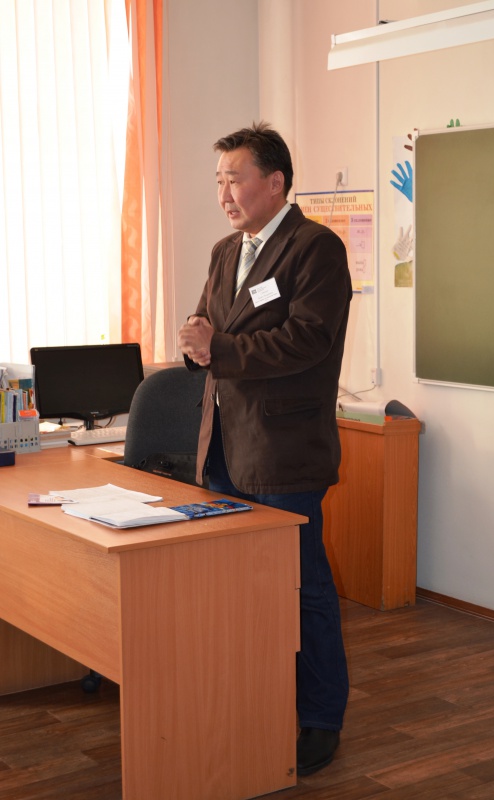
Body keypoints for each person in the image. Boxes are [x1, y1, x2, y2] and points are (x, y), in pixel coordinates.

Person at [177, 121, 352, 776]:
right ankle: (254, 702)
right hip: (224, 449)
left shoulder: (315, 249)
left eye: (235, 179)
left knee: (303, 588)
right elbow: (205, 322)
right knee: (239, 591)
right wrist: (195, 341)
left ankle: (320, 718)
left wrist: (216, 347)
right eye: (218, 180)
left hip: (284, 452)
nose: (224, 193)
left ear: (274, 183)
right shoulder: (227, 250)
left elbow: (306, 340)